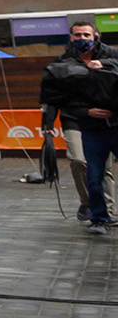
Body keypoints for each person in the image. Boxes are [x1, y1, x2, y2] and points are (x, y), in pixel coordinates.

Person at [41, 20, 118, 230]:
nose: (82, 39)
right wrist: (47, 125)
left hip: (111, 121)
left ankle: (107, 211)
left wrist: (105, 65)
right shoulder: (63, 61)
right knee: (81, 163)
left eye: (86, 35)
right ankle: (92, 207)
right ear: (71, 37)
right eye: (78, 35)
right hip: (78, 120)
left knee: (105, 169)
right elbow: (52, 95)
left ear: (96, 36)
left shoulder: (111, 54)